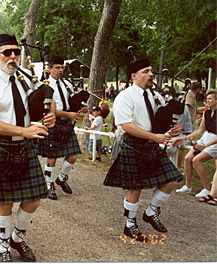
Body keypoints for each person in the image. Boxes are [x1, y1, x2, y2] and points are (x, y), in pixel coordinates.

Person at [0, 34, 56, 262]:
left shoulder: (24, 80)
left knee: (34, 199)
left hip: (24, 147)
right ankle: (3, 245)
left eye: (16, 52)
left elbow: (47, 98)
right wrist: (24, 131)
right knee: (5, 201)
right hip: (0, 147)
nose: (13, 57)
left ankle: (17, 238)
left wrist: (51, 116)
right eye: (7, 52)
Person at [103, 58, 182, 242]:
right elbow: (126, 125)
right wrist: (153, 136)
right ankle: (130, 223)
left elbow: (162, 117)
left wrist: (174, 127)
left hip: (152, 144)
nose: (151, 75)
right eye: (146, 71)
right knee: (135, 187)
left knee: (172, 179)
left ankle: (151, 211)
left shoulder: (156, 95)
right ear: (134, 76)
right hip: (134, 144)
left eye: (151, 71)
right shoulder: (125, 96)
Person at [37, 55, 84, 201]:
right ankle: (49, 184)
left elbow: (72, 101)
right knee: (52, 157)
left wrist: (81, 108)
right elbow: (48, 110)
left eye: (62, 67)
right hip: (53, 122)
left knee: (73, 155)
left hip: (66, 123)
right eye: (57, 67)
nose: (60, 70)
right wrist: (68, 114)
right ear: (49, 68)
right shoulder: (45, 86)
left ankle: (62, 178)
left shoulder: (66, 84)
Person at [173, 90, 217, 198]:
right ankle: (188, 186)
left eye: (210, 98)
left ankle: (206, 189)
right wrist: (184, 138)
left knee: (196, 160)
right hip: (206, 137)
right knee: (188, 158)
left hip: (214, 141)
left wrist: (206, 146)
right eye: (206, 99)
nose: (207, 101)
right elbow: (200, 130)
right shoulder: (206, 113)